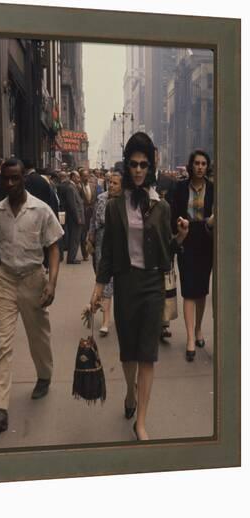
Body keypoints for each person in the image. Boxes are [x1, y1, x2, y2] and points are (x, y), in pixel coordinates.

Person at [90, 132, 189, 441]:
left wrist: (181, 238)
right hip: (126, 283)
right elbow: (108, 252)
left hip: (151, 285)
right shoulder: (115, 205)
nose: (137, 170)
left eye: (143, 164)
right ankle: (130, 393)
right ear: (127, 165)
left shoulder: (162, 206)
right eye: (133, 164)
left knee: (147, 354)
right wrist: (98, 287)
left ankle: (141, 422)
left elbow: (165, 250)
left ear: (150, 166)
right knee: (128, 353)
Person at [0, 158, 64, 438]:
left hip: (33, 278)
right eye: (5, 179)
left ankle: (44, 374)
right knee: (2, 344)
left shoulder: (40, 210)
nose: (9, 184)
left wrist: (51, 283)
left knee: (38, 336)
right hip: (6, 279)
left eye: (15, 178)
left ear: (23, 179)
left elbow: (54, 247)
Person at [171, 150, 214, 362]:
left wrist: (209, 223)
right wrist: (179, 228)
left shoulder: (214, 189)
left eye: (203, 163)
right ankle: (189, 337)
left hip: (206, 244)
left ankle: (198, 329)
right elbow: (173, 214)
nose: (199, 167)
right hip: (186, 241)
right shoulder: (179, 188)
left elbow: (216, 218)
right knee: (188, 290)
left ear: (207, 166)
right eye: (196, 163)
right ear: (191, 165)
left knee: (201, 291)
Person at [88, 171, 122, 335]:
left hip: (121, 244)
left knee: (120, 283)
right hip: (102, 242)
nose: (112, 186)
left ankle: (120, 318)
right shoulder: (102, 198)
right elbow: (94, 219)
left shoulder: (125, 201)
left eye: (116, 183)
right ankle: (106, 320)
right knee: (105, 280)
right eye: (110, 182)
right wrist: (90, 237)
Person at [154, 146, 177, 340]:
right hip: (144, 243)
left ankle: (164, 323)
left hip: (165, 239)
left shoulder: (168, 182)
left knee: (166, 282)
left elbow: (175, 210)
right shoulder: (138, 183)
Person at [65, 171, 85, 264]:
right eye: (77, 177)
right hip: (75, 219)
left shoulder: (74, 187)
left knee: (76, 238)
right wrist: (78, 218)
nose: (79, 179)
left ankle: (72, 257)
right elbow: (73, 205)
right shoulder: (70, 188)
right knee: (74, 238)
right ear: (72, 177)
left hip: (77, 217)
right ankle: (71, 258)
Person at [78, 168, 98, 261]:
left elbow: (96, 198)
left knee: (93, 232)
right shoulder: (78, 187)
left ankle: (93, 251)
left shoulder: (93, 185)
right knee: (83, 235)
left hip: (92, 211)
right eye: (84, 176)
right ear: (81, 177)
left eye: (87, 176)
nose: (86, 178)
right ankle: (84, 254)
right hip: (83, 212)